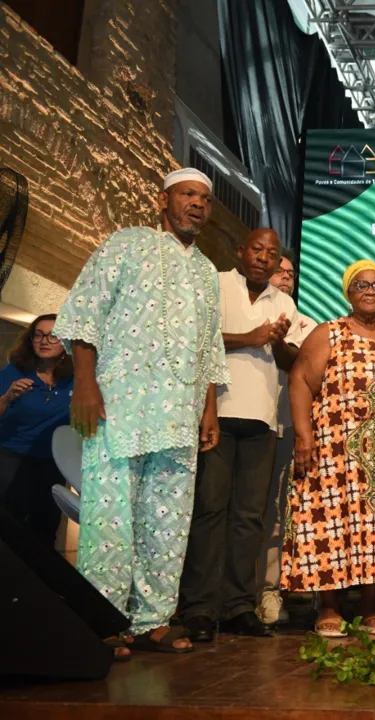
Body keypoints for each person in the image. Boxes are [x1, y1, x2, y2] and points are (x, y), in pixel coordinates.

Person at [54, 167, 229, 656]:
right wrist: (85, 386)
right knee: (109, 516)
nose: (197, 203)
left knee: (168, 517)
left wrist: (209, 408)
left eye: (205, 198)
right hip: (119, 408)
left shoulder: (205, 271)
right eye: (187, 194)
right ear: (163, 200)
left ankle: (152, 620)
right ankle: (100, 621)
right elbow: (85, 314)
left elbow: (208, 347)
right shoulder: (126, 244)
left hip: (180, 413)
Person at [178, 228, 303, 642]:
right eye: (257, 250)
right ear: (240, 251)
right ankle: (198, 607)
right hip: (217, 414)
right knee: (210, 510)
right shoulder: (216, 283)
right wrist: (248, 338)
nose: (264, 258)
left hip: (262, 420)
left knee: (250, 518)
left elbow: (287, 361)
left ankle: (237, 607)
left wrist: (281, 342)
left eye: (272, 254)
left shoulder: (283, 301)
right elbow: (195, 339)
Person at [281, 260, 375, 636]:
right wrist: (304, 436)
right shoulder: (328, 333)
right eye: (360, 285)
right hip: (332, 451)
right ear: (348, 292)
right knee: (329, 525)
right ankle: (329, 605)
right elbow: (300, 380)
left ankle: (370, 605)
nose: (370, 291)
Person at [257, 249, 317, 625]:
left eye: (290, 274)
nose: (285, 277)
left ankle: (269, 590)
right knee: (248, 512)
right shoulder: (242, 311)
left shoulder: (308, 326)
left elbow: (302, 370)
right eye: (278, 271)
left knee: (280, 513)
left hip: (286, 428)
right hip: (242, 425)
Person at [0, 314, 74, 545]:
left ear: (66, 342)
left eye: (53, 336)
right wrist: (8, 397)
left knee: (45, 524)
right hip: (13, 455)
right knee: (9, 521)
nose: (44, 341)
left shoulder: (76, 379)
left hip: (54, 462)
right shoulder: (14, 372)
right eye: (39, 335)